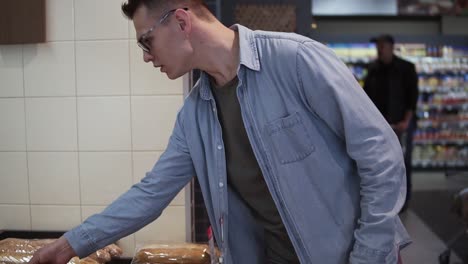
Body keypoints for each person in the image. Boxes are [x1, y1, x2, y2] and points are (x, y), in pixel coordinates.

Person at [29, 1, 410, 263]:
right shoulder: (195, 114)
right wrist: (69, 245)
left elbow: (382, 157)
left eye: (146, 40)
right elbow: (150, 193)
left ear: (181, 21)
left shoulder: (295, 60)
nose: (146, 55)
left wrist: (369, 254)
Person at [363, 34, 419, 213]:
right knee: (381, 163)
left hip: (402, 125)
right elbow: (365, 97)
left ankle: (404, 200)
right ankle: (386, 198)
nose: (379, 50)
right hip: (381, 127)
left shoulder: (406, 68)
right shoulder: (372, 69)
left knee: (402, 163)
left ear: (390, 47)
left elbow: (412, 97)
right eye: (377, 47)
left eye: (382, 46)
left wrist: (406, 121)